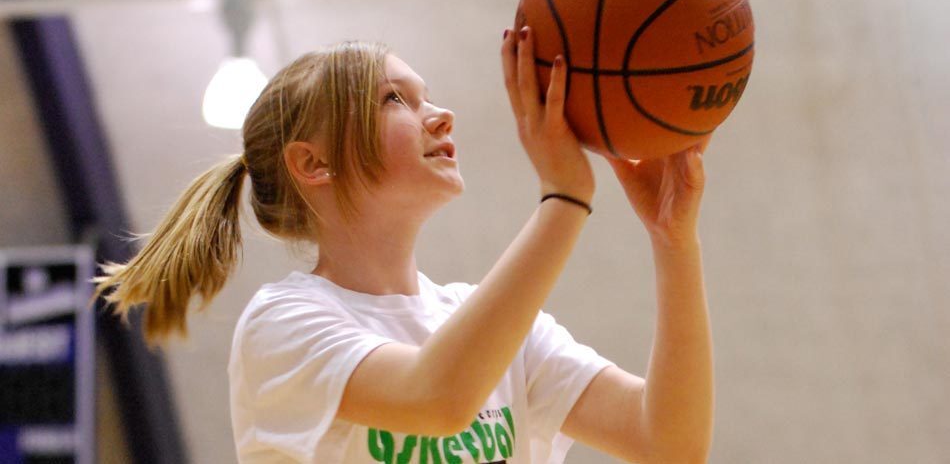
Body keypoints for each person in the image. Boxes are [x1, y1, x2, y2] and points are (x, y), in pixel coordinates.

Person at [92, 26, 713, 463]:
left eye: (427, 95)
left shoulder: (498, 328)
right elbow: (435, 398)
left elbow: (669, 444)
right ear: (314, 163)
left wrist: (673, 241)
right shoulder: (284, 324)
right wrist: (563, 198)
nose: (441, 116)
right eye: (396, 99)